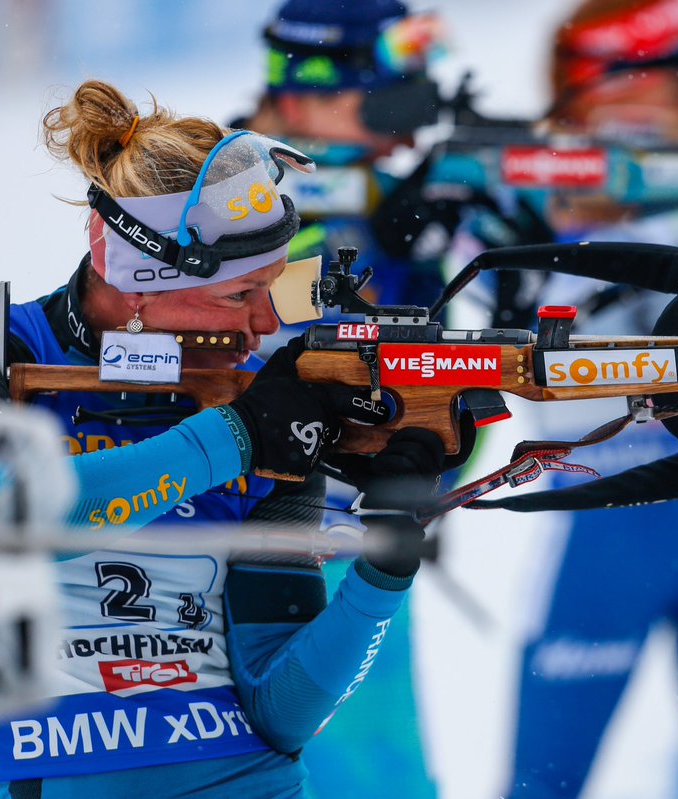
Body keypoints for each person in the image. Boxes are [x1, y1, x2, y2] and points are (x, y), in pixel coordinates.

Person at [0, 78, 454, 798]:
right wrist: (236, 438)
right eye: (239, 295)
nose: (265, 325)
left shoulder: (254, 402)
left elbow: (282, 713)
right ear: (134, 279)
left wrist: (382, 572)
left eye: (275, 286)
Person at [430, 1, 678, 795]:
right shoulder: (519, 203)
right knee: (544, 781)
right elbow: (491, 356)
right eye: (659, 96)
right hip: (604, 520)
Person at [234, 2, 450, 795]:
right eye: (385, 103)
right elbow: (225, 326)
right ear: (303, 97)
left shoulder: (373, 195)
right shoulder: (206, 197)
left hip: (356, 540)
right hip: (246, 543)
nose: (403, 132)